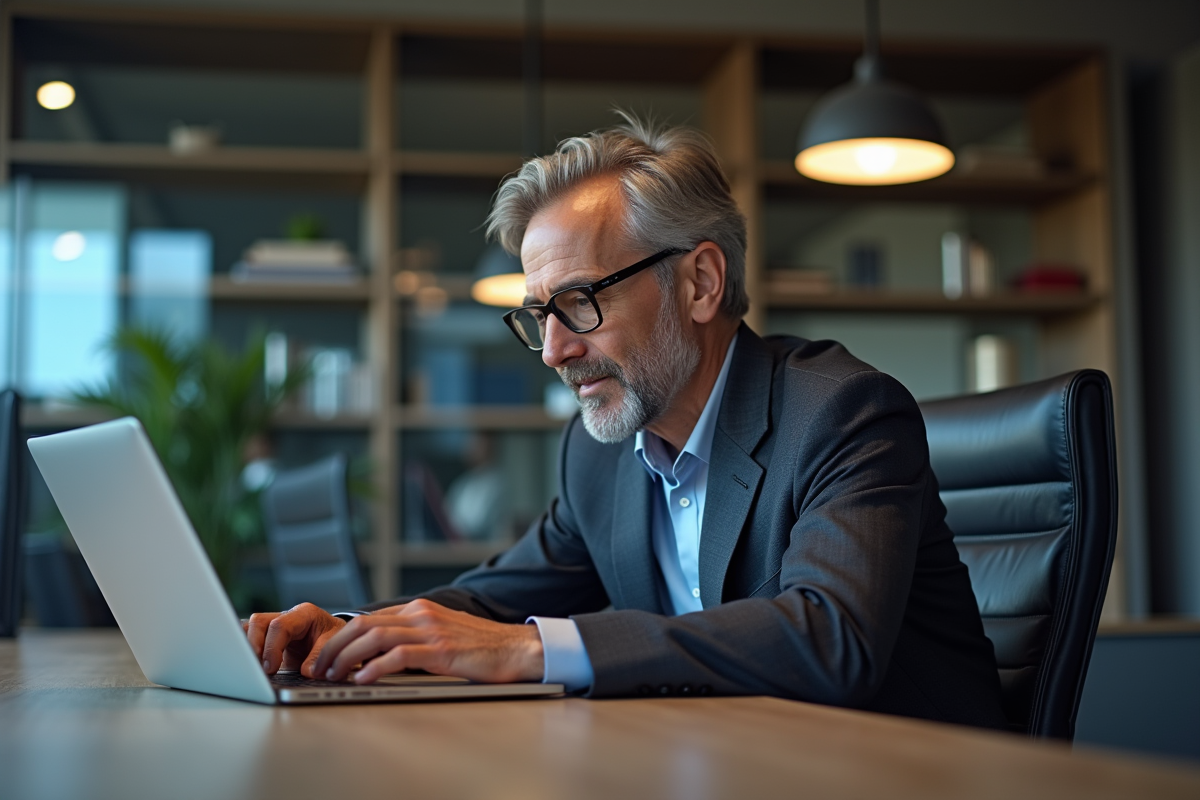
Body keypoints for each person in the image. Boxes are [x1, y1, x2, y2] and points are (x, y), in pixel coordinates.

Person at [245, 114, 1008, 729]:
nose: (552, 351)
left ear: (700, 282)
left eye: (579, 302)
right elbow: (491, 602)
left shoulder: (840, 413)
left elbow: (830, 639)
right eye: (539, 316)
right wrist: (347, 631)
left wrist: (532, 651)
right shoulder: (600, 453)